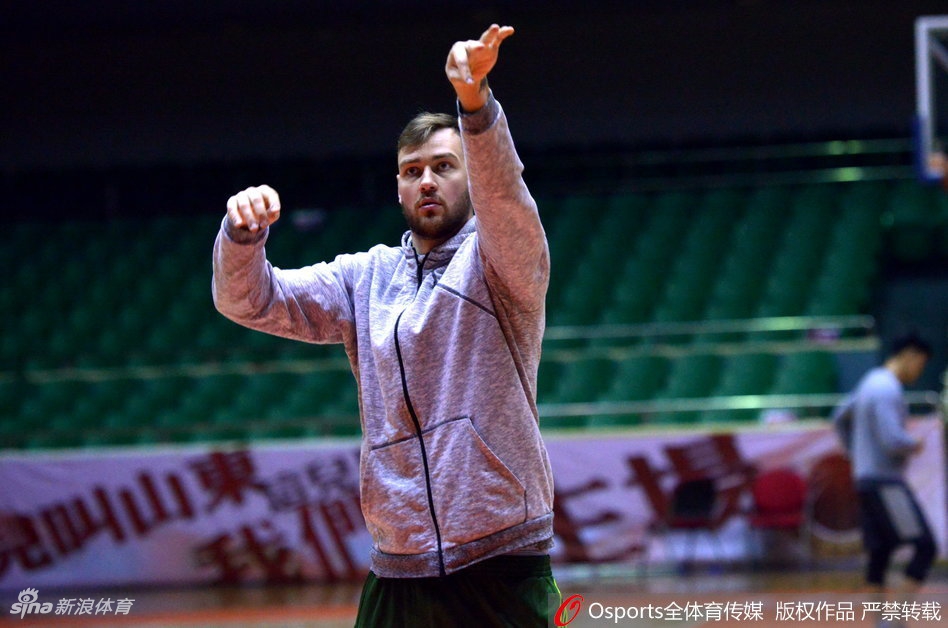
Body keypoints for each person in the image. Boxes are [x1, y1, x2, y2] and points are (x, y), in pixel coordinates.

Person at [212, 24, 559, 627]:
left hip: (503, 559)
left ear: (470, 176)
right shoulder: (363, 278)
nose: (426, 180)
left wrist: (475, 106)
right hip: (397, 566)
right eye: (411, 170)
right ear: (397, 186)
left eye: (444, 166)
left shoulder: (505, 263)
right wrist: (242, 236)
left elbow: (507, 199)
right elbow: (250, 301)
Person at [832, 334, 937, 602]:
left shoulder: (870, 381)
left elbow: (839, 417)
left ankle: (880, 622)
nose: (920, 370)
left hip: (866, 478)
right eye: (921, 363)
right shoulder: (887, 388)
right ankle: (895, 619)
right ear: (909, 355)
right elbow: (893, 440)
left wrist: (855, 452)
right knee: (925, 547)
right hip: (884, 481)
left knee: (881, 550)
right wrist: (914, 443)